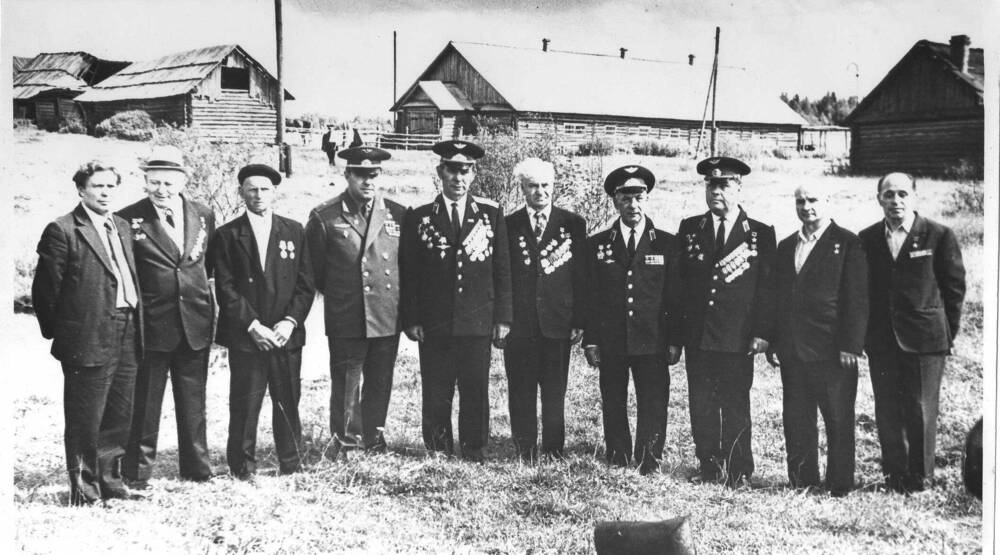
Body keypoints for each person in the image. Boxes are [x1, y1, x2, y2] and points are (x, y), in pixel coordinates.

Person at [32, 161, 143, 505]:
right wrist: (66, 335)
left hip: (127, 330)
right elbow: (45, 291)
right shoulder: (63, 229)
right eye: (98, 186)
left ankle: (112, 482)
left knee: (118, 414)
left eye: (111, 186)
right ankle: (85, 491)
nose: (105, 193)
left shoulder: (122, 225)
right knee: (85, 418)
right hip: (87, 337)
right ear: (81, 190)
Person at [400, 139, 512, 462]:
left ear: (473, 174)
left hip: (477, 321)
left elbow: (501, 270)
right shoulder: (420, 217)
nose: (458, 178)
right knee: (437, 386)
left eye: (465, 171)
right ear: (440, 172)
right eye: (452, 170)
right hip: (435, 323)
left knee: (475, 387)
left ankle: (474, 446)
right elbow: (411, 275)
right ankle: (438, 446)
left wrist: (503, 319)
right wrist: (412, 319)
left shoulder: (490, 214)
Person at [859, 172, 965, 493]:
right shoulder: (866, 238)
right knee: (887, 409)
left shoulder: (938, 235)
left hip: (925, 340)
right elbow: (862, 291)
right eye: (889, 195)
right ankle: (894, 477)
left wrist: (945, 335)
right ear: (879, 199)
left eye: (903, 194)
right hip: (882, 340)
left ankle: (920, 480)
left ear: (914, 197)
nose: (896, 201)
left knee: (920, 410)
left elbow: (954, 290)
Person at [208, 164, 315, 479]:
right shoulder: (227, 235)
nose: (258, 195)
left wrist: (289, 322)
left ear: (274, 192)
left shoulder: (294, 230)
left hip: (285, 336)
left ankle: (291, 464)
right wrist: (253, 326)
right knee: (245, 404)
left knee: (288, 401)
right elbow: (225, 288)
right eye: (251, 189)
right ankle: (242, 467)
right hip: (248, 336)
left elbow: (306, 285)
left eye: (265, 189)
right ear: (241, 192)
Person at [675, 156, 776, 487]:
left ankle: (738, 470)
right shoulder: (691, 229)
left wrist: (763, 333)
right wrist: (678, 335)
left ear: (738, 187)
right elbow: (680, 288)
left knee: (735, 404)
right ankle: (708, 465)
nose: (716, 191)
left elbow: (766, 290)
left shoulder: (759, 234)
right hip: (700, 336)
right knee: (702, 404)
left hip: (737, 337)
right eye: (710, 184)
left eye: (723, 185)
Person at [119, 145, 216, 488]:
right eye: (154, 182)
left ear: (183, 180)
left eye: (168, 182)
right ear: (145, 181)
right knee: (146, 402)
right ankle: (137, 472)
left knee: (193, 401)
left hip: (195, 323)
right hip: (152, 327)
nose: (161, 189)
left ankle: (198, 469)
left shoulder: (203, 214)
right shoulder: (127, 218)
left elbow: (207, 266)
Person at [768, 184, 868, 497]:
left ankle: (839, 484)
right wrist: (774, 342)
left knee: (837, 417)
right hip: (793, 349)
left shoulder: (848, 242)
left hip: (833, 350)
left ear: (827, 200)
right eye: (800, 201)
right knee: (797, 417)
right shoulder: (787, 245)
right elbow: (778, 297)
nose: (807, 206)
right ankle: (802, 481)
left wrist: (851, 344)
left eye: (813, 200)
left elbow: (858, 297)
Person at [305, 146, 407, 454]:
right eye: (360, 175)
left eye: (373, 175)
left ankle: (373, 438)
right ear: (347, 175)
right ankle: (347, 441)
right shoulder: (325, 216)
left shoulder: (397, 213)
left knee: (380, 381)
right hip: (348, 314)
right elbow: (316, 271)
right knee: (346, 383)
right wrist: (343, 295)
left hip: (385, 313)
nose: (367, 182)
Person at [582, 165, 681, 475]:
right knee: (613, 398)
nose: (633, 205)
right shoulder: (597, 244)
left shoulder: (666, 243)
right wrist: (592, 339)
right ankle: (618, 454)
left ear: (647, 199)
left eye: (639, 198)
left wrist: (675, 340)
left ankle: (650, 458)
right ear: (615, 201)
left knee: (653, 401)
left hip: (653, 340)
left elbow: (674, 298)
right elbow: (591, 297)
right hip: (612, 338)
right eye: (626, 198)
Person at [502, 158, 588, 461]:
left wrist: (579, 319)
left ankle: (553, 449)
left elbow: (581, 276)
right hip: (520, 325)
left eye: (546, 185)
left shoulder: (573, 224)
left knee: (555, 390)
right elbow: (503, 276)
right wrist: (503, 320)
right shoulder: (509, 224)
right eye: (533, 186)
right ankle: (524, 448)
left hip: (558, 321)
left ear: (554, 186)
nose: (540, 192)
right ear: (523, 188)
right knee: (521, 389)